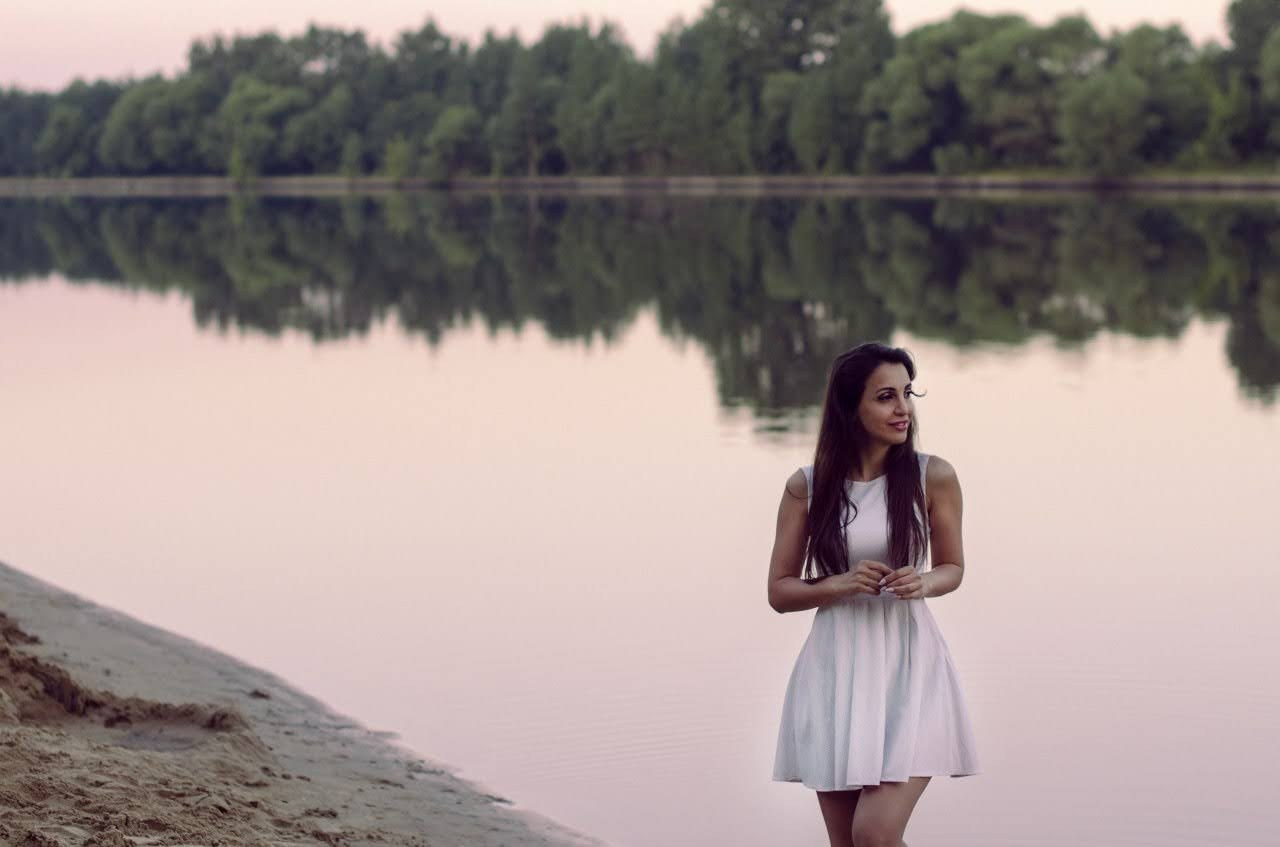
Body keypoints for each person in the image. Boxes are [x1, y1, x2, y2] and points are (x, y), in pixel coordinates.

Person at [768, 342, 980, 847]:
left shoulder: (934, 475)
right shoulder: (808, 487)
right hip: (835, 671)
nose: (903, 408)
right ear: (850, 407)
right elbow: (779, 590)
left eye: (907, 393)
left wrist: (923, 581)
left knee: (875, 834)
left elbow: (952, 567)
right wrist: (837, 584)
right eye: (886, 396)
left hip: (909, 667)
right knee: (851, 844)